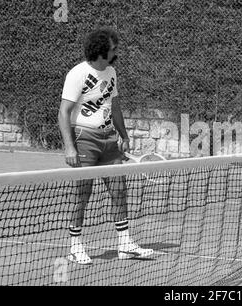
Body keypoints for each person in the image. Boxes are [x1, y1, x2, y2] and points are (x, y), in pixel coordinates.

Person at [58, 27, 153, 265]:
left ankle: (124, 244)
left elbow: (115, 105)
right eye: (113, 48)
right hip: (84, 139)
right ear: (102, 51)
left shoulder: (111, 72)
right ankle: (75, 247)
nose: (116, 51)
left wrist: (124, 135)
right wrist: (70, 148)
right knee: (83, 193)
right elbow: (63, 112)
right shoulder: (77, 74)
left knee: (119, 189)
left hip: (109, 139)